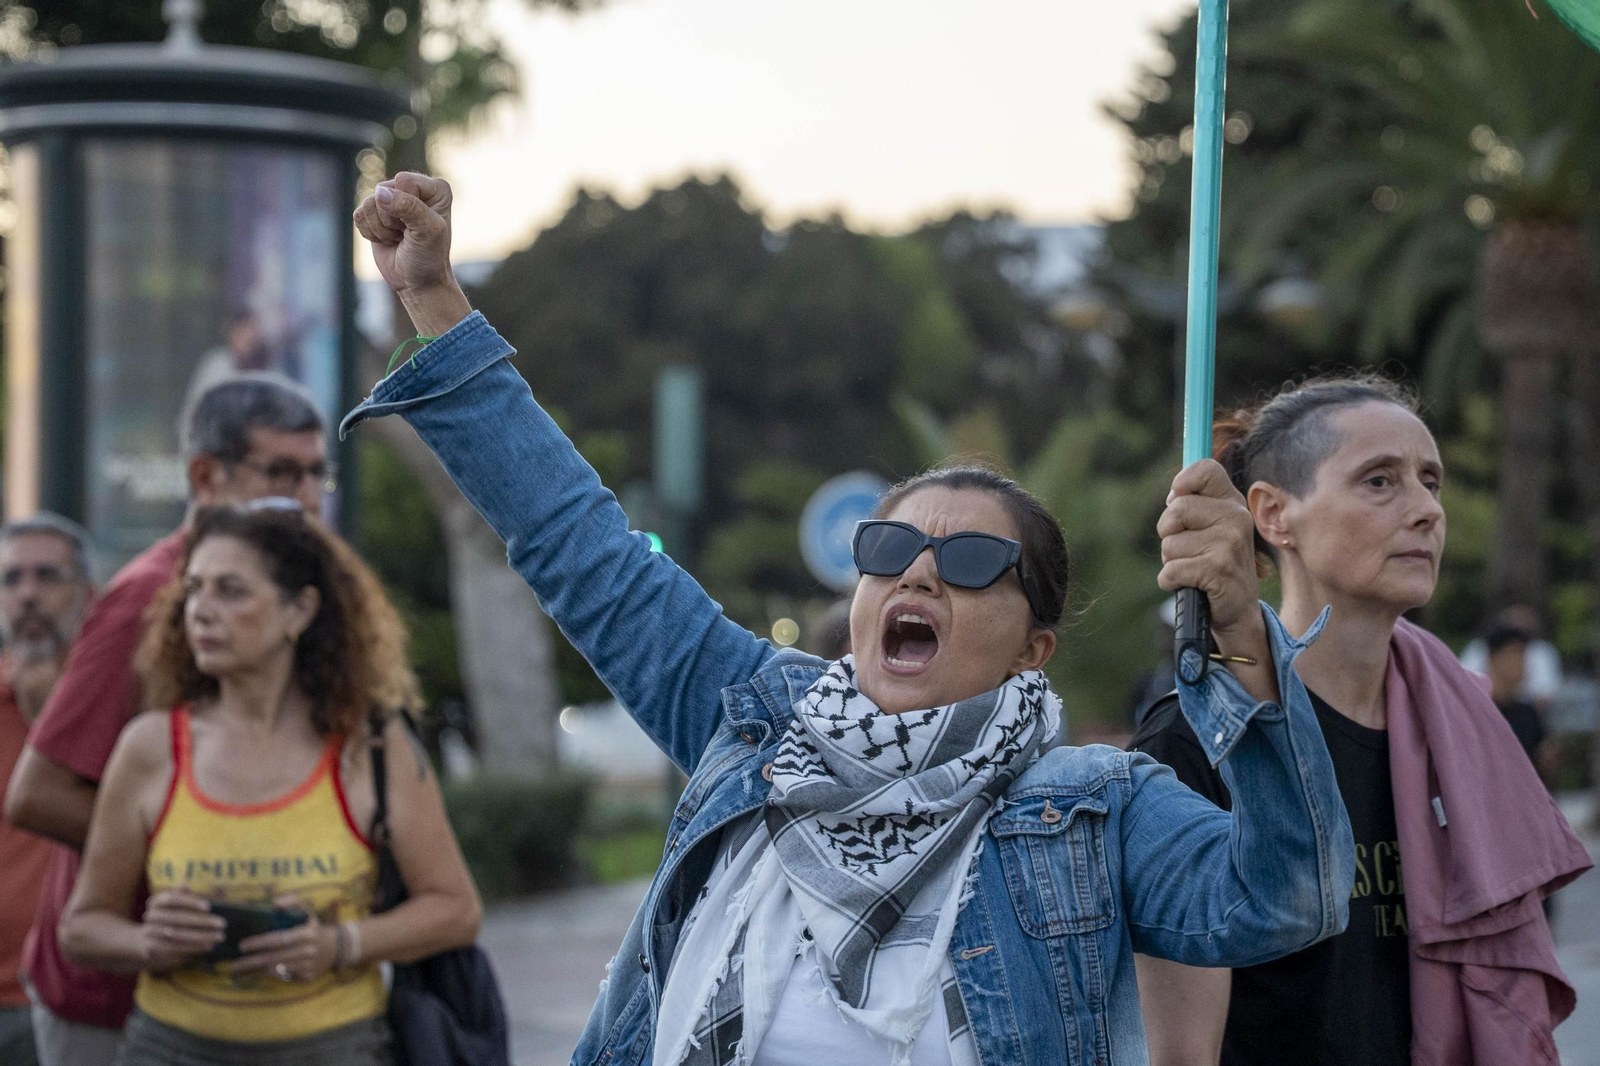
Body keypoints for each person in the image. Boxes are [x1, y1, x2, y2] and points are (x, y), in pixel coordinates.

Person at [346, 171, 1358, 1064]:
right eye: (889, 547)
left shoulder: (1098, 807)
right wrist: (433, 297)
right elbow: (577, 543)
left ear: (1033, 648)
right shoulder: (754, 719)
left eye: (971, 562)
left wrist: (1240, 632)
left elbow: (1283, 898)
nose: (918, 573)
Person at [1130, 376, 1591, 1066]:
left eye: (1430, 482)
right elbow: (1181, 1053)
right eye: (1379, 481)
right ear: (1273, 515)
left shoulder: (1465, 729)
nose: (1426, 510)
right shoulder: (1197, 741)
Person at [59, 502, 481, 1065]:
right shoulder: (151, 747)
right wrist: (147, 943)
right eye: (193, 589)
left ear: (299, 610)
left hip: (335, 1049)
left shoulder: (372, 747)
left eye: (230, 591)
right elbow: (81, 927)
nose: (201, 611)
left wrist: (338, 944)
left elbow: (456, 910)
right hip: (170, 1048)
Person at [4, 374, 331, 1066]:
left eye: (315, 474)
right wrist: (203, 856)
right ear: (205, 476)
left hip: (233, 996)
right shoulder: (148, 596)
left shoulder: (303, 593)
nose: (305, 496)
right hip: (112, 1003)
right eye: (280, 473)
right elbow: (36, 795)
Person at [0, 515, 96, 1066]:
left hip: (73, 994)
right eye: (11, 579)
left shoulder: (118, 703)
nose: (28, 594)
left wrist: (51, 717)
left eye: (47, 576)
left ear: (88, 594)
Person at [1460, 603, 1564, 710]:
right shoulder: (1479, 648)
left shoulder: (1541, 650)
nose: (1520, 662)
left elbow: (1545, 695)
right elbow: (1464, 685)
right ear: (1493, 657)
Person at [1482, 621, 1549, 769]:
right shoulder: (1478, 711)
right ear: (1493, 657)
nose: (1522, 661)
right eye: (1515, 652)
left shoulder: (1528, 713)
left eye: (1524, 653)